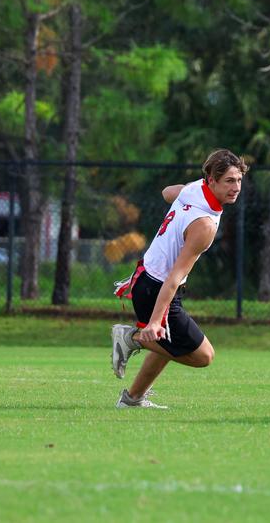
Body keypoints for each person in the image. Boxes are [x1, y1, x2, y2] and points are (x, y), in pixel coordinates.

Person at [109, 149, 248, 409]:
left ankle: (132, 399)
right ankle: (131, 338)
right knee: (203, 356)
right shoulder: (204, 226)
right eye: (229, 181)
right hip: (157, 288)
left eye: (239, 180)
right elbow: (173, 277)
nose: (236, 187)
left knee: (171, 342)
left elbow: (167, 192)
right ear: (212, 180)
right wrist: (153, 322)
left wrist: (183, 196)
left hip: (145, 280)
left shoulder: (194, 189)